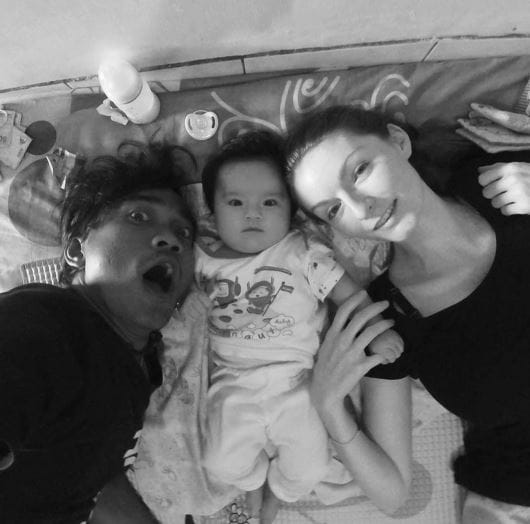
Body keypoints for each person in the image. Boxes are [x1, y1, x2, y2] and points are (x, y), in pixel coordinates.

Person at [285, 104, 530, 523]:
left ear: (398, 142)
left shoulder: (503, 183)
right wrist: (328, 403)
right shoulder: (385, 317)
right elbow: (392, 493)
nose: (360, 206)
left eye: (359, 170)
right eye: (334, 210)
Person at [195, 130, 409, 508]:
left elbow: (349, 295)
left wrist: (375, 333)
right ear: (212, 211)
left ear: (290, 210)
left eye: (270, 202)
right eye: (235, 202)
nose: (252, 213)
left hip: (298, 383)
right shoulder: (202, 261)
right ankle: (252, 481)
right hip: (231, 383)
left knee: (309, 467)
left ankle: (280, 492)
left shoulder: (301, 253)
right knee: (219, 463)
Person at [0, 145, 195, 523]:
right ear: (76, 250)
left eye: (183, 233)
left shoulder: (139, 365)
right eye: (139, 216)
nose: (171, 240)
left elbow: (94, 477)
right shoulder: (44, 324)